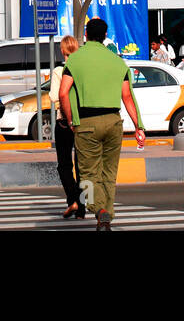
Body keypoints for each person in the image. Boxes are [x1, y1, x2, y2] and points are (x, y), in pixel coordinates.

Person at [58, 18, 145, 230]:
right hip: (114, 122)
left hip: (87, 123)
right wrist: (139, 126)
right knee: (109, 173)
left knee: (88, 175)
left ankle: (98, 209)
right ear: (105, 36)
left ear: (86, 35)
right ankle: (107, 215)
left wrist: (71, 120)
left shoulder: (75, 60)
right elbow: (127, 97)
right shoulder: (118, 62)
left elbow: (63, 93)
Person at [51, 35, 84, 219]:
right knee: (84, 167)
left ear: (63, 51)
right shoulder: (83, 69)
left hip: (64, 121)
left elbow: (56, 96)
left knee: (64, 165)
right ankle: (83, 208)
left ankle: (73, 199)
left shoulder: (59, 71)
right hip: (84, 122)